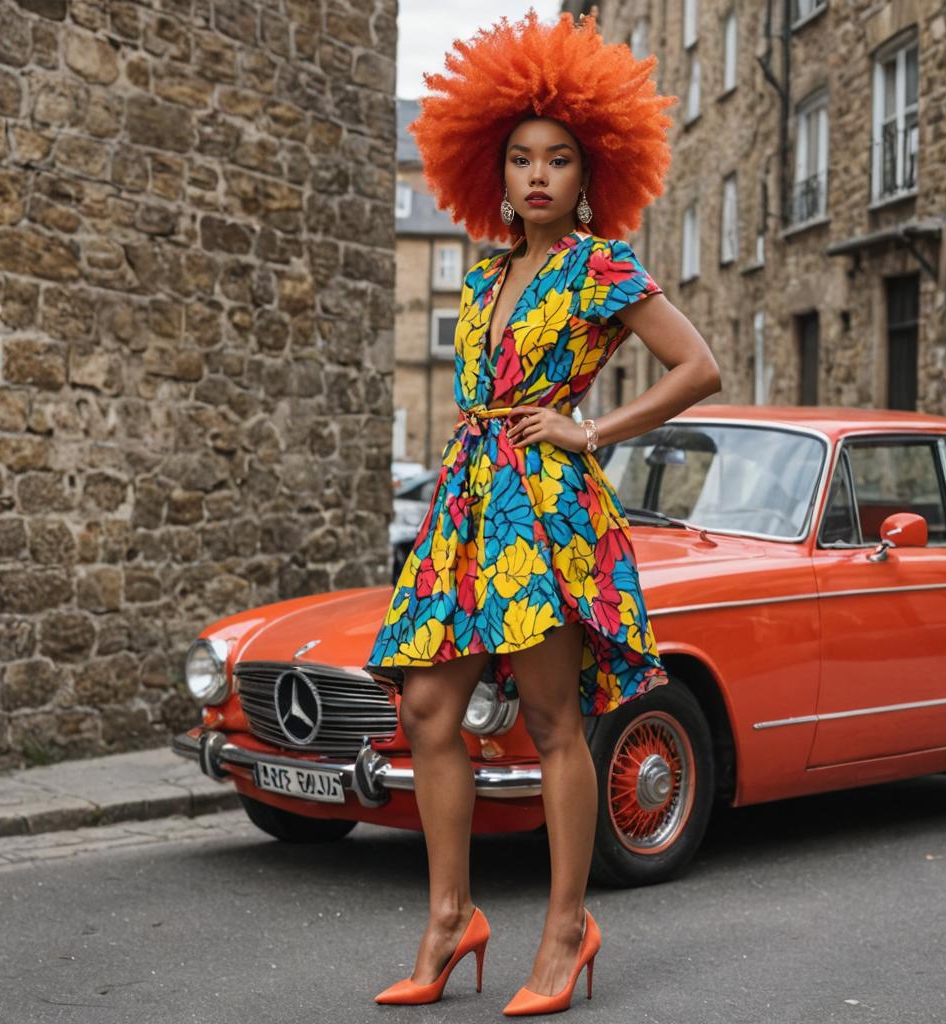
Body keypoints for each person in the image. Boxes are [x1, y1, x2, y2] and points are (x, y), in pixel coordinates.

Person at [365, 8, 721, 1016]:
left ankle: (567, 926)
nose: (536, 176)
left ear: (588, 169)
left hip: (544, 509)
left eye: (557, 159)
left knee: (553, 719)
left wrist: (593, 430)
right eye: (519, 158)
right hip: (466, 506)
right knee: (427, 707)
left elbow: (698, 365)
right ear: (492, 167)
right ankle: (449, 916)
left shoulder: (601, 266)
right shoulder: (481, 277)